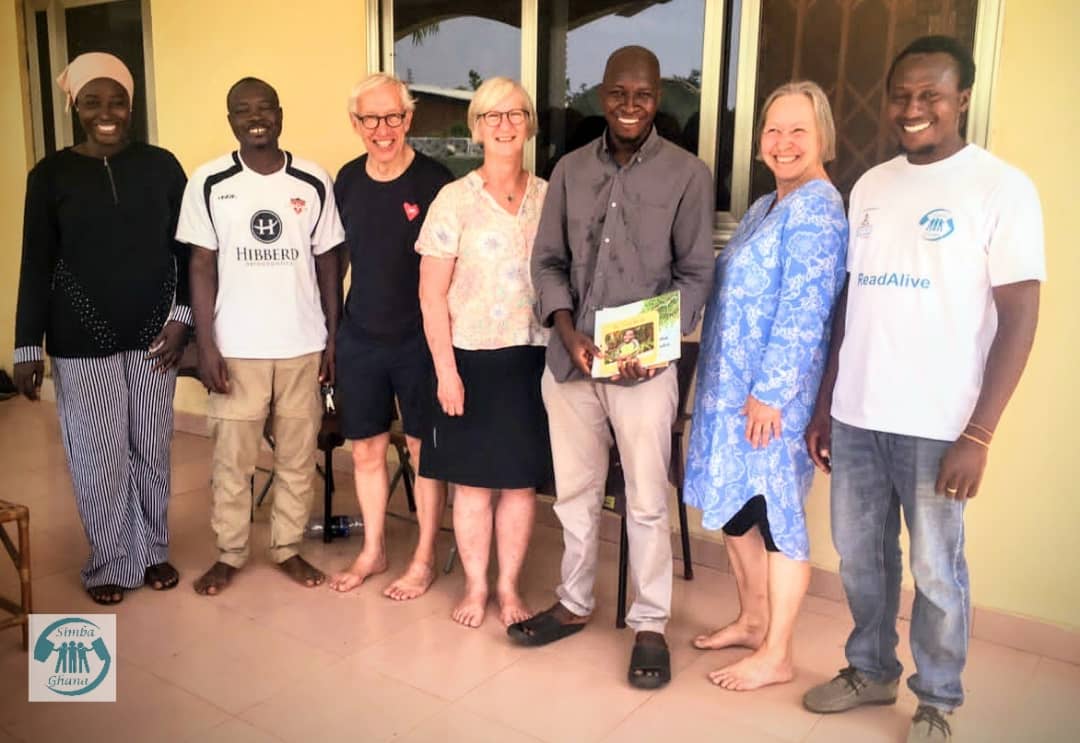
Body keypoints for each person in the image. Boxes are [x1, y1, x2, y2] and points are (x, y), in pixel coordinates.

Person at [801, 37, 1044, 742]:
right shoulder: (872, 185)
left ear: (961, 98)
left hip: (942, 424)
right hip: (857, 413)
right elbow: (852, 301)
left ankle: (938, 697)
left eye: (929, 95)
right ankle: (870, 669)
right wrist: (826, 403)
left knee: (938, 570)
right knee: (860, 555)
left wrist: (980, 433)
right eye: (902, 95)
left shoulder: (1001, 187)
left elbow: (1022, 314)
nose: (913, 109)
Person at [512, 46, 714, 690]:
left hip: (642, 373)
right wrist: (566, 330)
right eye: (620, 93)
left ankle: (650, 623)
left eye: (645, 95)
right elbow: (546, 261)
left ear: (659, 99)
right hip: (570, 364)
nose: (631, 106)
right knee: (573, 494)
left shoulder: (687, 174)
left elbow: (695, 274)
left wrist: (645, 351)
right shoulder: (569, 170)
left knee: (647, 502)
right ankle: (573, 603)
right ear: (602, 95)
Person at [683, 81, 848, 691]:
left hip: (769, 397)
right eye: (773, 131)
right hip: (731, 388)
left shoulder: (818, 212)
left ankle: (777, 652)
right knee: (737, 509)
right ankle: (753, 620)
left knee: (776, 518)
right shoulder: (765, 206)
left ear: (822, 137)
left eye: (798, 130)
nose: (783, 143)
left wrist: (771, 393)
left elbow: (807, 312)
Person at [13, 52, 190, 605]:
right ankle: (112, 558)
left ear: (131, 105)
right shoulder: (51, 176)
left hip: (154, 339)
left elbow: (187, 250)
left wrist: (182, 319)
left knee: (150, 446)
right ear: (75, 107)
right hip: (78, 339)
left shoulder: (162, 166)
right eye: (93, 101)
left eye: (116, 101)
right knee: (97, 452)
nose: (106, 112)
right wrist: (26, 345)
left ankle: (153, 550)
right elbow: (36, 262)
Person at [177, 77, 344, 595]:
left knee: (298, 458)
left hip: (302, 346)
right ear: (230, 120)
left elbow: (328, 262)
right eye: (242, 110)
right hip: (238, 349)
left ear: (280, 113)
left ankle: (287, 547)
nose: (256, 117)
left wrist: (331, 338)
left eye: (265, 108)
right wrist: (206, 346)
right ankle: (229, 553)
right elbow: (201, 266)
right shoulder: (209, 180)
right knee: (233, 462)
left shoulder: (312, 179)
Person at [416, 77, 552, 628]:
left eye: (514, 113)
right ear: (475, 127)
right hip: (469, 358)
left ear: (529, 123)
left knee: (519, 484)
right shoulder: (454, 199)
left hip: (532, 358)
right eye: (491, 115)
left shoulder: (549, 196)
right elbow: (430, 295)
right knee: (472, 484)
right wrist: (445, 372)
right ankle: (474, 588)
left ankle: (509, 587)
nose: (503, 124)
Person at [326, 73, 452, 600]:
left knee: (424, 451)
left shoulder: (436, 182)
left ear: (409, 119)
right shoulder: (347, 181)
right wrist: (332, 338)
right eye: (370, 119)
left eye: (393, 117)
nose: (383, 129)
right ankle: (374, 550)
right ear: (355, 124)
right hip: (361, 337)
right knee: (366, 451)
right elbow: (337, 260)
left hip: (419, 341)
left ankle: (422, 557)